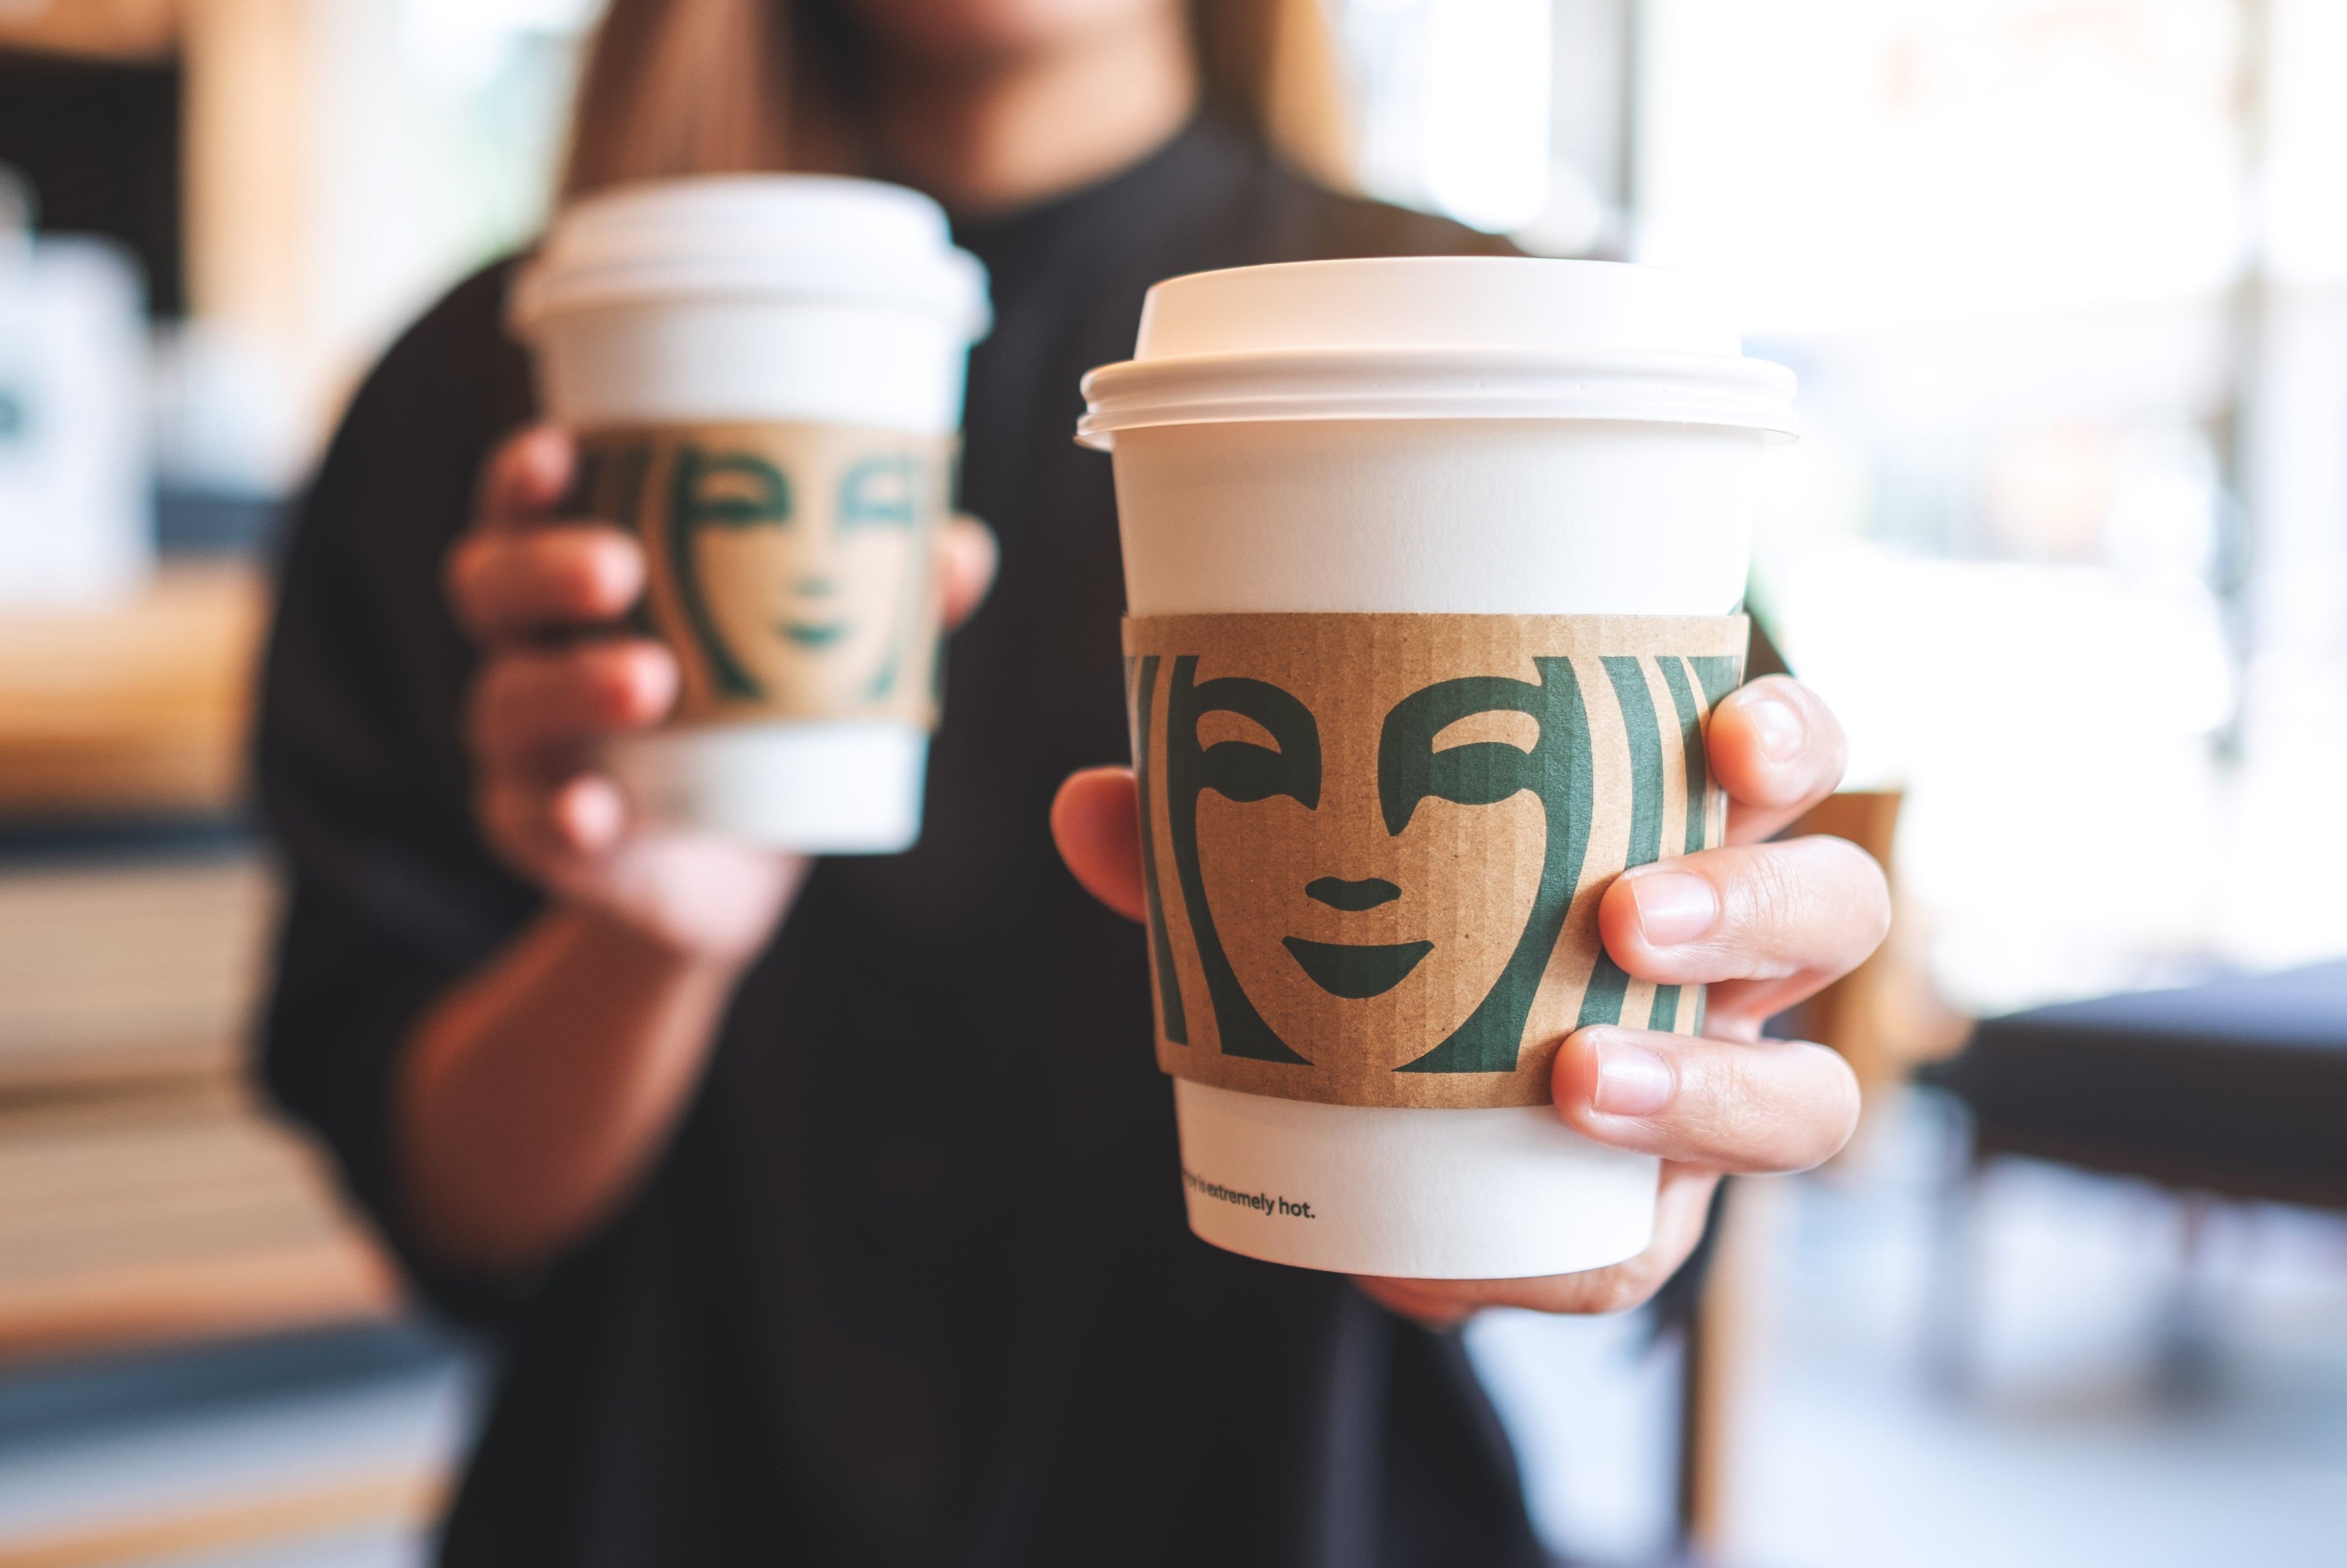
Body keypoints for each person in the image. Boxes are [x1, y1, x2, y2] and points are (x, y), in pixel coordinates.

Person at [254, 0, 1889, 1561]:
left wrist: (1620, 1144)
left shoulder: (1512, 350)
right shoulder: (495, 388)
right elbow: (451, 1207)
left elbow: (1699, 1032)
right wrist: (646, 935)